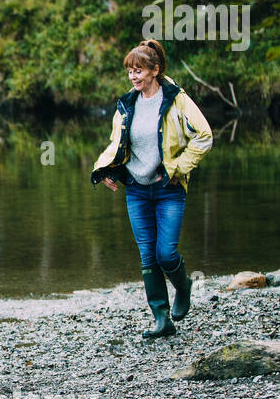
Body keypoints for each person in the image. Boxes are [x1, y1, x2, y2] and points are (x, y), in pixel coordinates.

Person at [91, 39, 213, 338]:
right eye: (130, 71)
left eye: (139, 71)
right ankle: (161, 318)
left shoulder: (176, 99)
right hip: (136, 190)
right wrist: (103, 168)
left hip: (169, 188)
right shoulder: (126, 104)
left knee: (166, 253)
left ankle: (183, 286)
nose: (133, 77)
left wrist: (179, 169)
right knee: (148, 256)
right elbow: (116, 143)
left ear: (155, 70)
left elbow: (204, 136)